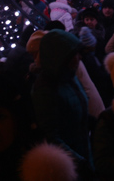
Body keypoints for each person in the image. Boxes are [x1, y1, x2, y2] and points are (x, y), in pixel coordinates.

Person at [31, 30, 94, 176]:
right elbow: (51, 135)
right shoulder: (45, 89)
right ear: (61, 56)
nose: (79, 57)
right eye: (75, 54)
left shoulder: (69, 77)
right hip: (69, 168)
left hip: (84, 152)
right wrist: (79, 163)